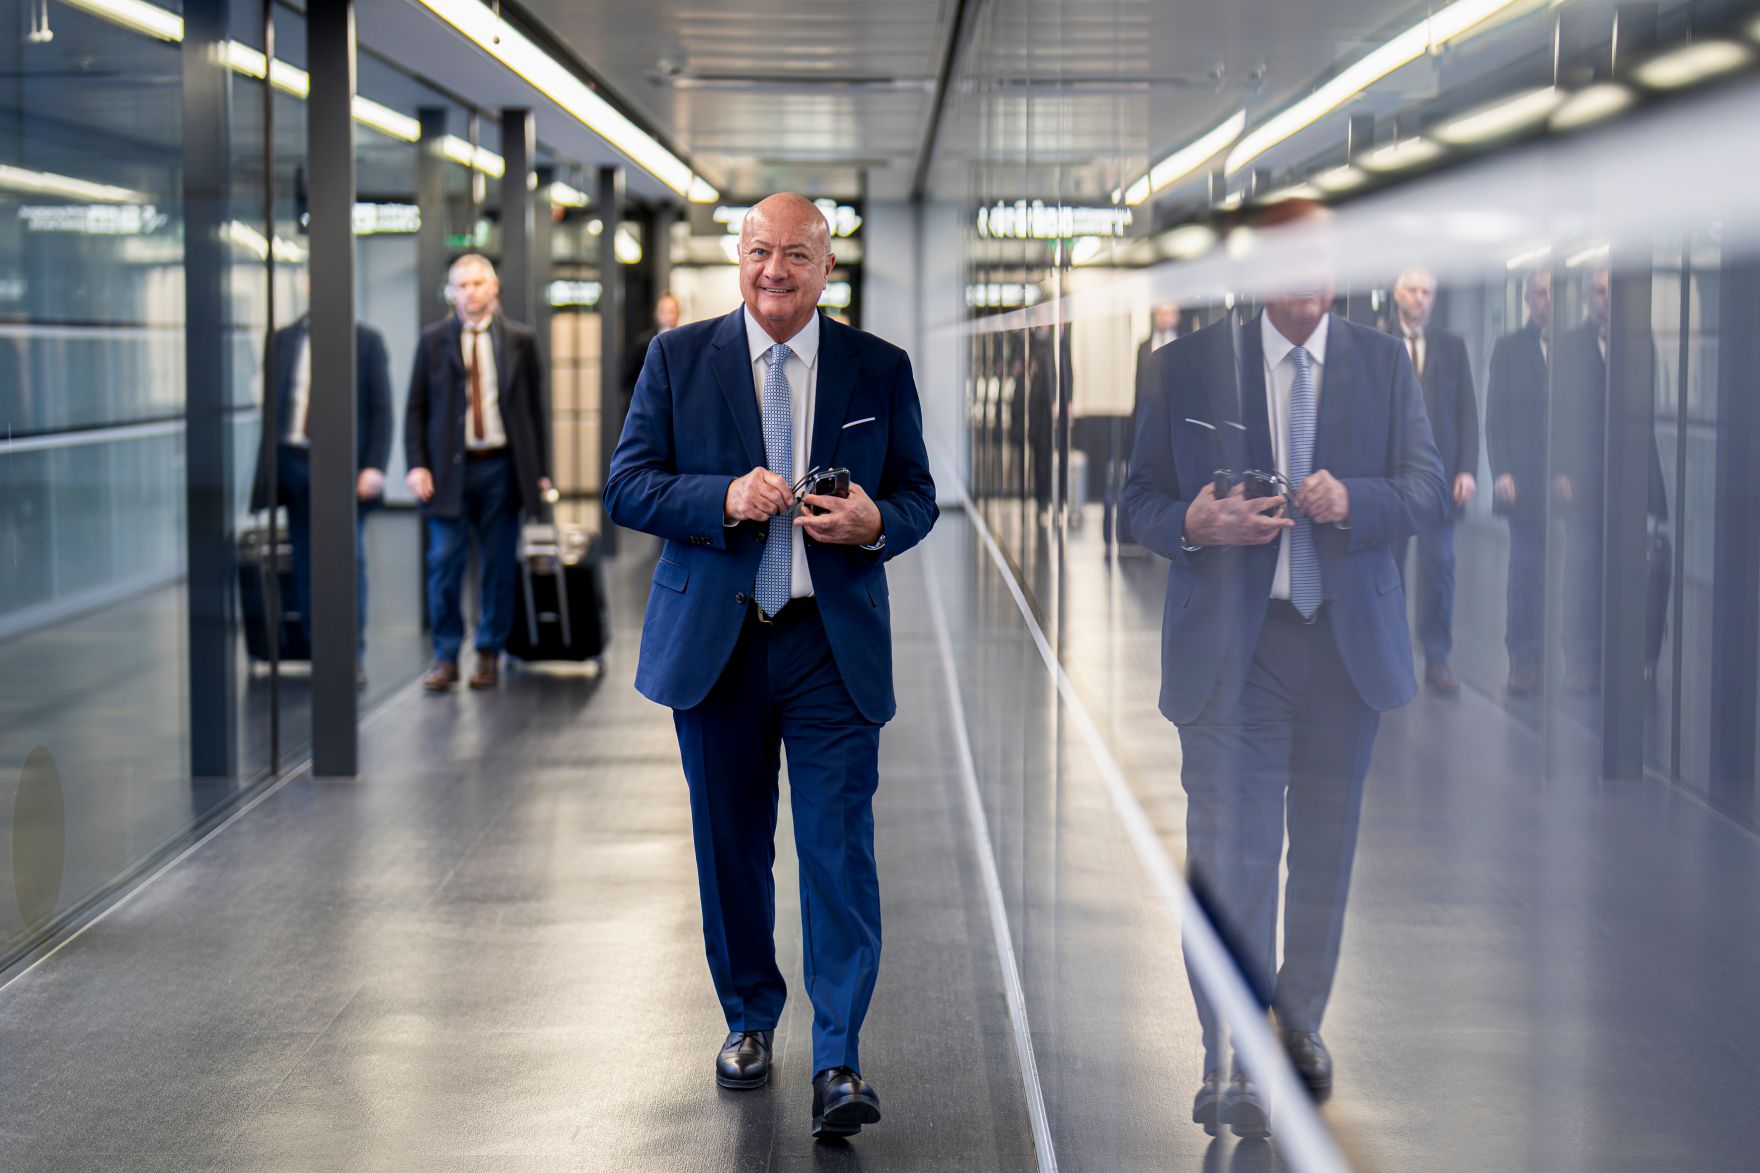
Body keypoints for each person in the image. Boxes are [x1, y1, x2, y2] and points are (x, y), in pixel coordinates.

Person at [604, 193, 937, 1141]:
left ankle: (838, 1054)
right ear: (737, 259)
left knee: (839, 852)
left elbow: (918, 496)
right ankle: (751, 1020)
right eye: (759, 252)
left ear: (827, 267)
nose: (774, 271)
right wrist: (722, 496)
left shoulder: (879, 367)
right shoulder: (678, 358)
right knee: (731, 849)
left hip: (829, 644)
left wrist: (877, 522)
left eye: (796, 254)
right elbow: (629, 484)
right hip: (720, 641)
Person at [1122, 201, 1446, 1137]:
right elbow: (1136, 500)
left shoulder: (1383, 364)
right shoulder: (1183, 365)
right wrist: (1194, 522)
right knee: (1232, 855)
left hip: (1345, 654)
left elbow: (1426, 484)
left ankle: (1297, 1023)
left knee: (1324, 856)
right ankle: (1228, 1049)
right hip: (1236, 651)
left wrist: (1358, 498)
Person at [404, 254, 553, 692]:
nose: (470, 291)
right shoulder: (432, 342)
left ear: (494, 288)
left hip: (501, 469)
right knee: (444, 562)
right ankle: (446, 655)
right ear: (452, 292)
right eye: (461, 285)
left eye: (477, 283)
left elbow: (533, 412)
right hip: (448, 471)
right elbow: (415, 408)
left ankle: (488, 650)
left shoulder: (520, 341)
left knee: (498, 565)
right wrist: (416, 465)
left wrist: (540, 472)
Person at [248, 285, 393, 690]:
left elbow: (381, 411)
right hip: (294, 461)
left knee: (348, 561)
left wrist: (374, 467)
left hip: (346, 468)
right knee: (307, 561)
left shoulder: (365, 342)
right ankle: (319, 650)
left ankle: (350, 654)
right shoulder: (282, 340)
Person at [1552, 266, 1670, 690]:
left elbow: (1646, 415)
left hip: (1628, 479)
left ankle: (1621, 657)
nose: (1607, 300)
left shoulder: (1641, 344)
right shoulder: (1567, 348)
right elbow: (1558, 414)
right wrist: (1561, 469)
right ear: (1587, 298)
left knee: (1624, 571)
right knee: (1582, 571)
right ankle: (1581, 661)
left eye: (1612, 292)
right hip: (1581, 480)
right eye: (1599, 292)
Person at [1388, 266, 1479, 693]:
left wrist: (1467, 469)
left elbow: (1467, 411)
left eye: (1427, 291)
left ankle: (1437, 659)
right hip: (1390, 480)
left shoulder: (1451, 346)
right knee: (1390, 570)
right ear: (1397, 294)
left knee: (1439, 566)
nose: (1421, 298)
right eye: (1413, 290)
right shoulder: (1379, 343)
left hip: (1439, 479)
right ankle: (1390, 656)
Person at [1486, 271, 1552, 695]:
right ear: (1528, 299)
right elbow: (1496, 417)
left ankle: (1559, 659)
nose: (1548, 301)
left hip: (1566, 482)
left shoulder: (1577, 348)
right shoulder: (1509, 348)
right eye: (1542, 293)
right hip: (1525, 482)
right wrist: (1502, 472)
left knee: (1565, 573)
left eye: (1554, 293)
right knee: (1527, 570)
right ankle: (1523, 659)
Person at [620, 292, 682, 409]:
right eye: (663, 311)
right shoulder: (642, 343)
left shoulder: (685, 342)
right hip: (650, 405)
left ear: (678, 313)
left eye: (671, 311)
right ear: (657, 314)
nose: (668, 316)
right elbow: (628, 378)